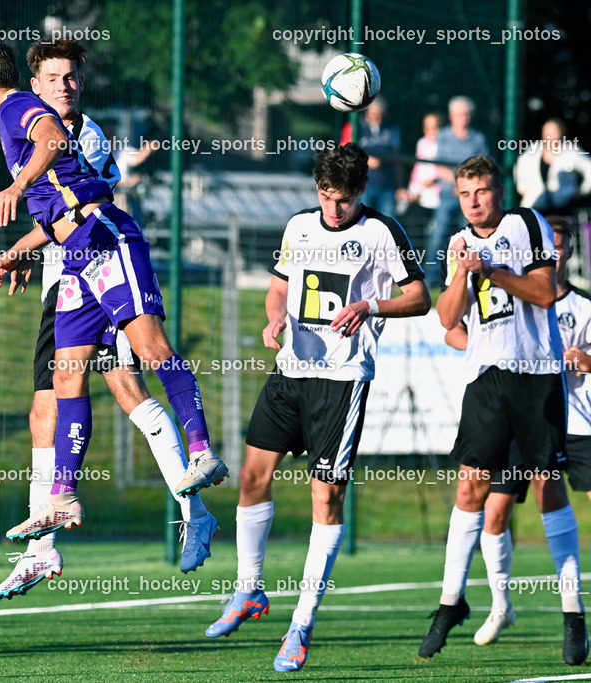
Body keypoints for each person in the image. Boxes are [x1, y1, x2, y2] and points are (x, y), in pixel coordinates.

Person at [0, 42, 227, 545]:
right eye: (55, 76)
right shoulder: (16, 113)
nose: (64, 85)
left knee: (150, 350)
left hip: (104, 239)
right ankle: (61, 494)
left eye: (71, 77)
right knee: (67, 377)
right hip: (74, 257)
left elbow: (51, 139)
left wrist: (17, 187)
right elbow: (58, 202)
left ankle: (201, 450)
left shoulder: (17, 106)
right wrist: (20, 248)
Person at [204, 143, 431, 673]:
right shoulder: (299, 226)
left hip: (341, 382)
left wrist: (370, 305)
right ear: (316, 190)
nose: (334, 209)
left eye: (345, 200)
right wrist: (274, 318)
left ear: (360, 194)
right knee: (251, 479)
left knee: (325, 499)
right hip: (291, 373)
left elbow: (420, 296)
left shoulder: (381, 233)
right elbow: (278, 289)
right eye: (327, 197)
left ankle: (301, 625)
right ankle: (249, 590)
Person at [418, 156, 587, 665]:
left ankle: (573, 614)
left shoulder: (525, 223)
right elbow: (447, 317)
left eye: (483, 190)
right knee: (471, 485)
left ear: (498, 190)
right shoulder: (458, 242)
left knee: (546, 485)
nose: (474, 201)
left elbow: (541, 292)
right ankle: (451, 601)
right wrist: (462, 276)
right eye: (466, 192)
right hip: (486, 380)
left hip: (536, 377)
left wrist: (491, 270)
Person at [426, 97, 488, 284]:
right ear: (452, 116)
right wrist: (458, 186)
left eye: (466, 114)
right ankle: (430, 278)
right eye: (460, 114)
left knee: (472, 234)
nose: (464, 117)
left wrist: (467, 190)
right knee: (438, 233)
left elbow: (483, 167)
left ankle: (471, 275)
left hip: (472, 196)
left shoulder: (478, 138)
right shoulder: (443, 136)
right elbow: (438, 165)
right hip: (448, 194)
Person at [515, 118, 591, 215]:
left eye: (553, 133)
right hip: (535, 207)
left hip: (563, 208)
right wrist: (522, 187)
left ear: (562, 133)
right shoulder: (533, 150)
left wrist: (581, 192)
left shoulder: (571, 151)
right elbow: (520, 166)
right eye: (547, 133)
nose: (549, 137)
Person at [396, 112, 442, 242]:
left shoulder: (445, 145)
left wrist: (434, 179)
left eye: (434, 127)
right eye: (427, 128)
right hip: (420, 197)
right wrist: (413, 190)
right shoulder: (421, 143)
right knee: (413, 229)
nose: (430, 131)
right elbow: (418, 168)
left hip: (439, 198)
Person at [354, 97, 401, 218]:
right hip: (364, 185)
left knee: (389, 222)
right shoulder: (356, 127)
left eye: (380, 115)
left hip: (387, 184)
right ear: (367, 112)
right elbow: (347, 153)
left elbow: (397, 158)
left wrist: (400, 185)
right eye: (374, 114)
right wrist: (366, 161)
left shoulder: (391, 128)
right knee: (362, 219)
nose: (377, 118)